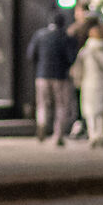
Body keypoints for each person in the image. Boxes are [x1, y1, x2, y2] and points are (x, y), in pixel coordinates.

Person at [28, 15, 78, 146]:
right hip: (60, 76)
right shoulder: (65, 37)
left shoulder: (39, 35)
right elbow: (71, 58)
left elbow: (31, 54)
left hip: (42, 75)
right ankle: (58, 135)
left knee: (42, 103)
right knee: (61, 106)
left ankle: (42, 123)